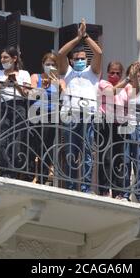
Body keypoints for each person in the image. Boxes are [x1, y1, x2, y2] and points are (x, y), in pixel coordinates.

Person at [58, 18, 102, 193]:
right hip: (70, 114)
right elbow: (60, 54)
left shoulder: (92, 71)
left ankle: (84, 188)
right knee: (70, 151)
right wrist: (77, 39)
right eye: (77, 58)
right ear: (71, 60)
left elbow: (98, 53)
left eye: (83, 58)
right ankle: (69, 186)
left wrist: (86, 37)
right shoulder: (67, 71)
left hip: (88, 114)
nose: (80, 61)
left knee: (86, 152)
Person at [0, 47, 32, 179]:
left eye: (6, 57)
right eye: (2, 57)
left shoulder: (24, 74)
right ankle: (5, 170)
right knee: (2, 137)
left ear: (14, 59)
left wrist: (16, 84)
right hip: (1, 105)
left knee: (17, 137)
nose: (3, 60)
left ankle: (15, 170)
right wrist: (3, 84)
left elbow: (26, 94)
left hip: (18, 105)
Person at [29, 53, 66, 184]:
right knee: (35, 144)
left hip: (52, 115)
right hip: (37, 113)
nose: (50, 67)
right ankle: (33, 174)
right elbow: (31, 93)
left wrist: (56, 84)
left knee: (48, 146)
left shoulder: (60, 80)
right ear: (42, 65)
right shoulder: (35, 77)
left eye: (53, 65)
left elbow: (64, 96)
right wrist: (42, 87)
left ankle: (43, 176)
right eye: (47, 64)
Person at [117, 62, 140, 203]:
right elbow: (114, 93)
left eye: (138, 75)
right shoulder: (126, 88)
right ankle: (125, 194)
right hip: (127, 125)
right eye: (133, 74)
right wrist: (130, 79)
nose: (135, 77)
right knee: (125, 160)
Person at [96, 61, 130, 197]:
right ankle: (104, 189)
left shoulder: (127, 87)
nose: (114, 75)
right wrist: (127, 79)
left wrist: (133, 79)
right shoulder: (103, 83)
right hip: (105, 121)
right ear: (107, 73)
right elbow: (110, 93)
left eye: (118, 73)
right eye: (112, 72)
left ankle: (118, 192)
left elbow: (132, 100)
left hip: (120, 123)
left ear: (121, 74)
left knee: (119, 158)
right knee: (106, 157)